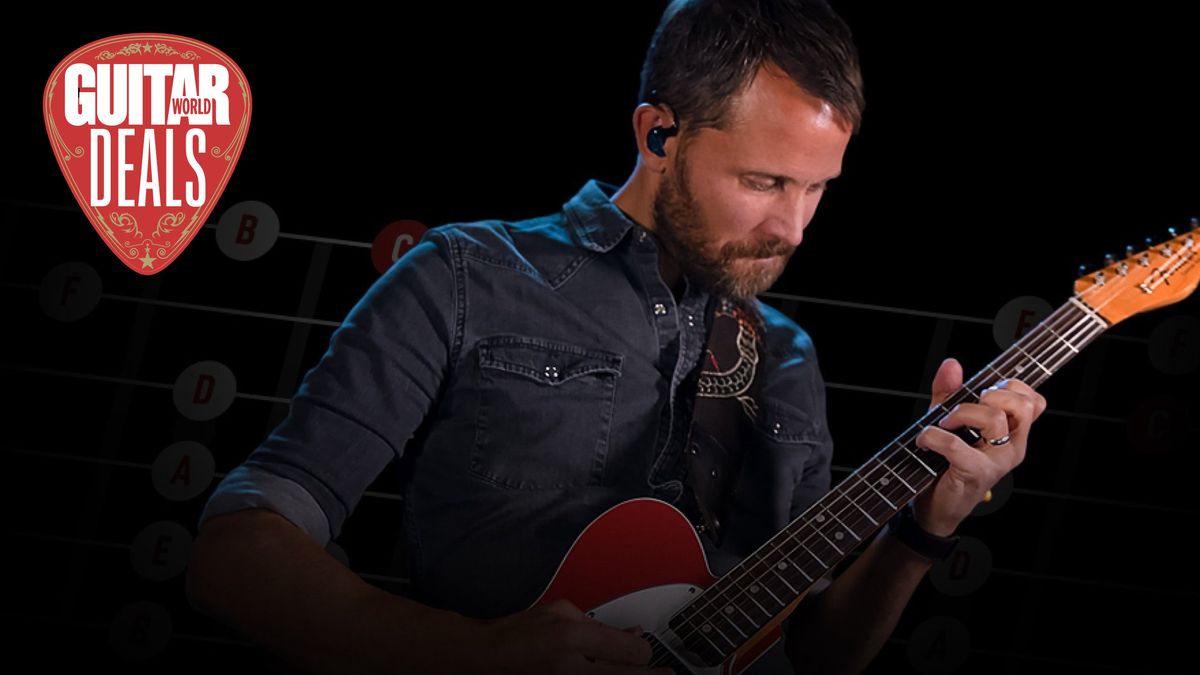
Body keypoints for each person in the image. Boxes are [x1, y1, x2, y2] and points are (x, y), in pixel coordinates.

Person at [186, 1, 1047, 674]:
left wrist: (922, 530)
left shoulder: (784, 356)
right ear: (659, 134)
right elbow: (239, 546)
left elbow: (807, 652)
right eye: (764, 181)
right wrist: (462, 655)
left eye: (818, 189)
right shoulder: (464, 276)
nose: (793, 227)